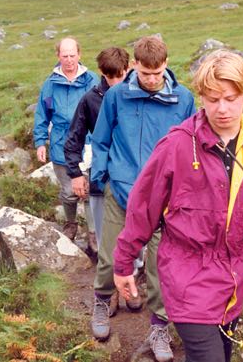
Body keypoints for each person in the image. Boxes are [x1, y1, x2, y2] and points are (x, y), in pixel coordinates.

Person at [113, 50, 243, 362]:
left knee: (222, 355)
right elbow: (143, 208)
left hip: (234, 277)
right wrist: (123, 264)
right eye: (212, 99)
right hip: (186, 273)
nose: (222, 108)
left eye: (230, 98)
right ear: (201, 97)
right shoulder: (178, 144)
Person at [90, 35, 196, 361]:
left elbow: (190, 147)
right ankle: (102, 299)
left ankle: (159, 326)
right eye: (146, 73)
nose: (152, 80)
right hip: (121, 192)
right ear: (134, 65)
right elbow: (102, 140)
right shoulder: (117, 96)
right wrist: (101, 177)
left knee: (160, 267)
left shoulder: (184, 100)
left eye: (158, 72)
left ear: (166, 64)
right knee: (109, 256)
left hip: (164, 200)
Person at [64, 46, 129, 254]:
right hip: (102, 175)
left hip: (133, 174)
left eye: (120, 76)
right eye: (110, 77)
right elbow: (74, 137)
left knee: (134, 231)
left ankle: (136, 270)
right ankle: (108, 271)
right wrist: (75, 173)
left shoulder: (139, 95)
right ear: (101, 72)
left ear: (128, 69)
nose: (116, 82)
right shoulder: (90, 100)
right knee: (104, 234)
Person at [34, 37, 99, 240]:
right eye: (65, 56)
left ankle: (93, 232)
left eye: (72, 55)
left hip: (89, 144)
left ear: (79, 54)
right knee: (69, 191)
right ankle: (71, 224)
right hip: (61, 144)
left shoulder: (93, 80)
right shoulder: (50, 84)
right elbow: (42, 114)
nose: (69, 60)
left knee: (90, 192)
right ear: (58, 56)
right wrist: (40, 142)